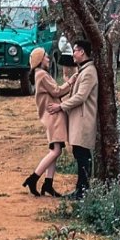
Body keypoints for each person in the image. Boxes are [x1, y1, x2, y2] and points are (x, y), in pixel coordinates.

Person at [48, 38, 98, 200]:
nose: (73, 53)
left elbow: (80, 97)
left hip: (83, 118)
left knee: (83, 155)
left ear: (82, 52)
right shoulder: (83, 70)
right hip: (79, 117)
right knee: (79, 153)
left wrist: (60, 106)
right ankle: (80, 189)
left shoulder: (89, 72)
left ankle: (82, 190)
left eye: (75, 50)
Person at [22, 47, 74, 197]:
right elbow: (57, 91)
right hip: (53, 117)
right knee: (56, 151)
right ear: (39, 60)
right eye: (46, 57)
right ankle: (34, 178)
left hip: (51, 117)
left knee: (55, 150)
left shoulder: (39, 74)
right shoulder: (42, 75)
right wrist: (70, 82)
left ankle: (48, 184)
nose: (48, 59)